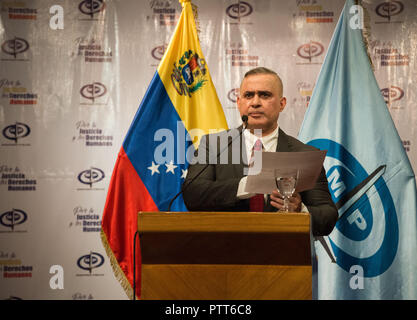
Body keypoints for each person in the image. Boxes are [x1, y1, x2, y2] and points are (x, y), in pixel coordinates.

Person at [183, 67, 338, 236]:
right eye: (248, 95)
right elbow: (193, 195)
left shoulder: (305, 153)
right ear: (239, 102)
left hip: (283, 255)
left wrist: (300, 210)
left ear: (282, 104)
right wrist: (248, 185)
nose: (255, 102)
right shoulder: (213, 145)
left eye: (265, 95)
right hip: (224, 253)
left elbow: (328, 217)